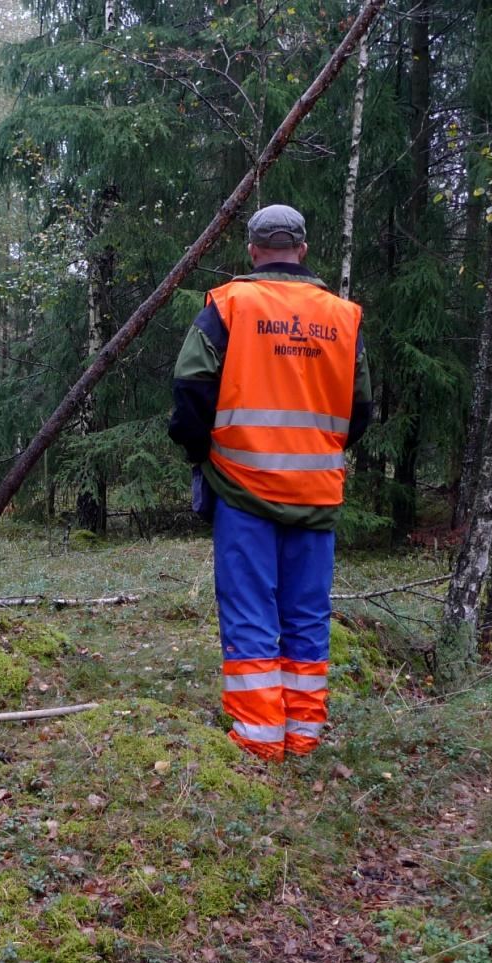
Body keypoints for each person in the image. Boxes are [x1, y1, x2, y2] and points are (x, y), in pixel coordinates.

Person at [169, 204, 372, 763]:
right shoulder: (343, 317)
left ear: (253, 250)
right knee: (307, 613)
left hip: (242, 488)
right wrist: (316, 451)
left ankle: (258, 744)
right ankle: (303, 736)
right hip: (316, 494)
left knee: (251, 610)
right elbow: (362, 408)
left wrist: (201, 453)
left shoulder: (229, 305)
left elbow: (190, 390)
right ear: (302, 250)